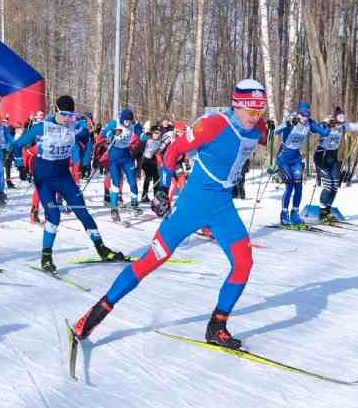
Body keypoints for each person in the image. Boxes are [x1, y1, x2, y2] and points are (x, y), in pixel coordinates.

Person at [71, 79, 271, 351]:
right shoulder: (213, 124)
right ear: (237, 105)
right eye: (251, 110)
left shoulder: (256, 125)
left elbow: (262, 137)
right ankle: (97, 311)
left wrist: (270, 130)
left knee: (244, 262)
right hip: (192, 205)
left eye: (260, 110)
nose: (255, 117)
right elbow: (174, 151)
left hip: (223, 207)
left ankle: (217, 325)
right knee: (152, 260)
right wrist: (163, 188)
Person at [12, 94, 127, 273]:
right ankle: (46, 256)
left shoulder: (76, 127)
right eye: (64, 114)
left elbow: (89, 140)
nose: (67, 119)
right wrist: (21, 165)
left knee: (82, 212)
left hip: (64, 177)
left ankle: (101, 249)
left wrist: (91, 160)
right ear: (56, 110)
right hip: (44, 178)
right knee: (54, 217)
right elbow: (17, 145)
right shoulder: (41, 128)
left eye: (71, 115)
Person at [275, 102, 330, 226]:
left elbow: (324, 133)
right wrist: (287, 124)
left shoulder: (310, 123)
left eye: (307, 115)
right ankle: (284, 215)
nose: (305, 118)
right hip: (284, 158)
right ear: (299, 114)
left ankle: (295, 214)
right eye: (303, 115)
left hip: (296, 159)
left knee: (298, 187)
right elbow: (276, 131)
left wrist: (326, 124)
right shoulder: (292, 120)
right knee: (289, 187)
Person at [312, 107, 358, 223]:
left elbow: (354, 126)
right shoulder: (328, 123)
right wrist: (326, 124)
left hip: (333, 157)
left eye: (343, 118)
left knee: (335, 185)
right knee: (328, 186)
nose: (341, 121)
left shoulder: (343, 125)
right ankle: (322, 211)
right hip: (322, 157)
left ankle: (328, 210)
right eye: (339, 118)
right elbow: (317, 128)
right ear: (335, 118)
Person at [102, 107, 142, 219]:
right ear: (122, 119)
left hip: (126, 157)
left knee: (133, 181)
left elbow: (141, 134)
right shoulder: (115, 123)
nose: (127, 123)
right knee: (116, 182)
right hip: (114, 157)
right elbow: (105, 133)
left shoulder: (134, 124)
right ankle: (114, 209)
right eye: (125, 120)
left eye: (129, 121)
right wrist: (111, 135)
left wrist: (144, 135)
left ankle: (134, 204)